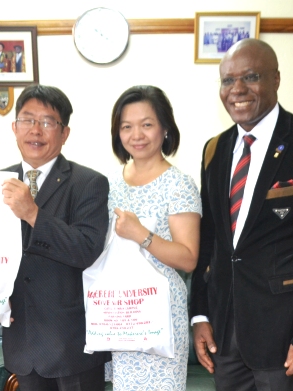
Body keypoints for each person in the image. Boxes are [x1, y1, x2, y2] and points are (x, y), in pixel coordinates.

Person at [191, 39, 293, 391]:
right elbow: (211, 241)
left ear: (276, 80)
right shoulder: (214, 150)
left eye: (250, 77)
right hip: (226, 338)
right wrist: (200, 315)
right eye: (227, 80)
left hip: (288, 342)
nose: (237, 89)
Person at [0, 84, 110, 391]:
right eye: (27, 119)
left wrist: (33, 213)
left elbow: (86, 249)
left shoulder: (89, 183)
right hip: (21, 341)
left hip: (72, 345)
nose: (36, 130)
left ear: (65, 133)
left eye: (48, 122)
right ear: (14, 127)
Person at [106, 85, 201, 390]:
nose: (137, 135)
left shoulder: (179, 184)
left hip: (159, 315)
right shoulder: (110, 184)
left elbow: (188, 258)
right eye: (127, 126)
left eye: (147, 125)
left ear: (165, 129)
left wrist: (142, 235)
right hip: (119, 310)